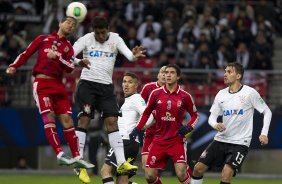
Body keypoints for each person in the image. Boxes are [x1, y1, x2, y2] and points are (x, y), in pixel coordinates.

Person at [5, 17, 94, 169]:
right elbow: (26, 53)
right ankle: (59, 154)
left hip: (58, 86)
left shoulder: (68, 48)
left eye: (73, 25)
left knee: (68, 120)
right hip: (42, 84)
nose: (70, 26)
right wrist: (14, 66)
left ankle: (77, 157)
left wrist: (58, 57)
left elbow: (69, 67)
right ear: (60, 24)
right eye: (68, 22)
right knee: (49, 116)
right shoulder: (43, 39)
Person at [72, 16, 145, 183]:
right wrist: (78, 62)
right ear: (93, 31)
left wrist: (134, 56)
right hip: (88, 85)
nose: (100, 36)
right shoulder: (86, 39)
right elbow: (67, 55)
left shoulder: (115, 39)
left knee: (112, 121)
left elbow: (129, 55)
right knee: (84, 120)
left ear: (108, 29)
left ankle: (121, 163)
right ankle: (79, 163)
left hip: (106, 87)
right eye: (97, 33)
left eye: (103, 32)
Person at [191, 62, 272, 184]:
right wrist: (215, 124)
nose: (225, 74)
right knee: (198, 169)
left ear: (238, 76)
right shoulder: (221, 94)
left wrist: (264, 133)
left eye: (229, 72)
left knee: (226, 173)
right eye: (225, 71)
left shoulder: (250, 92)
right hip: (220, 139)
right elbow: (211, 117)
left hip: (240, 142)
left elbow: (267, 112)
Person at [130, 64, 199, 184]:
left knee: (181, 173)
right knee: (149, 176)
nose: (168, 75)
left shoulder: (185, 96)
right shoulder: (155, 93)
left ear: (178, 77)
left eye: (172, 73)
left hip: (176, 139)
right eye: (166, 72)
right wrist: (137, 128)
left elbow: (195, 115)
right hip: (158, 140)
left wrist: (189, 126)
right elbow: (146, 113)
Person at [101, 72, 152, 184]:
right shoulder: (127, 101)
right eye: (124, 82)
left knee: (105, 171)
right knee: (121, 180)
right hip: (129, 143)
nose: (126, 85)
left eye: (130, 82)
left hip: (125, 141)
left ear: (136, 85)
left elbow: (150, 115)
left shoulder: (136, 98)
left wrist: (141, 127)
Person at [140, 66, 166, 170]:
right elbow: (139, 106)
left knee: (180, 169)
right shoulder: (148, 88)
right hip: (150, 132)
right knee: (146, 167)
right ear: (158, 75)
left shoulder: (176, 92)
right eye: (162, 72)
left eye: (167, 72)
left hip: (166, 133)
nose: (164, 75)